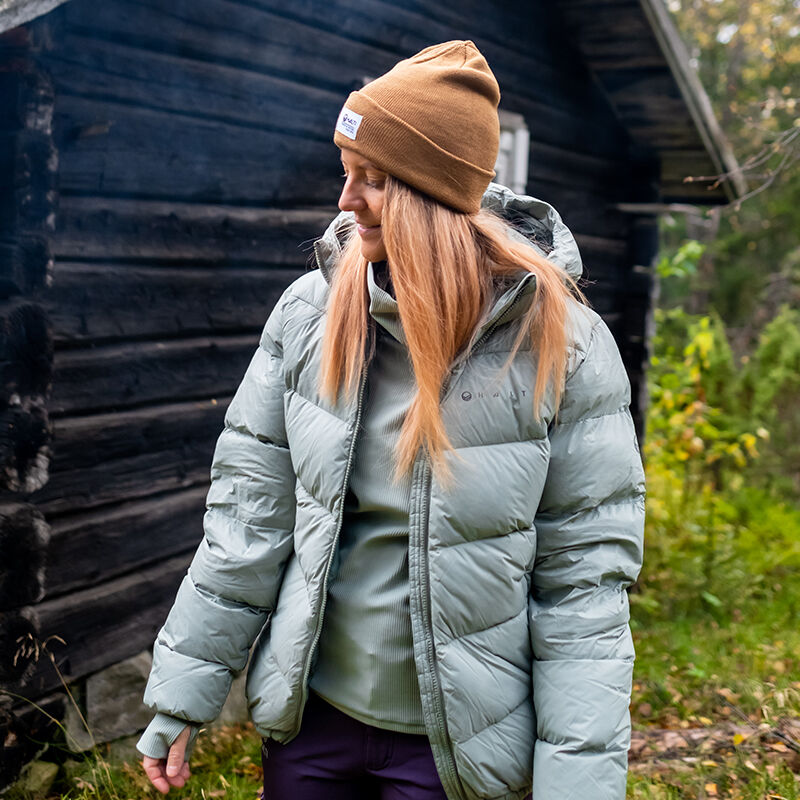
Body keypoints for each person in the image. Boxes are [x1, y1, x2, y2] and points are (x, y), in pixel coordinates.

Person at [136, 40, 645, 800]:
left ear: (430, 194)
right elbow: (248, 520)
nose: (347, 201)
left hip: (457, 757)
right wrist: (181, 695)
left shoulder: (560, 346)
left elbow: (584, 587)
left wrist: (577, 784)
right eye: (348, 175)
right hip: (311, 732)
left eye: (373, 180)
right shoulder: (309, 316)